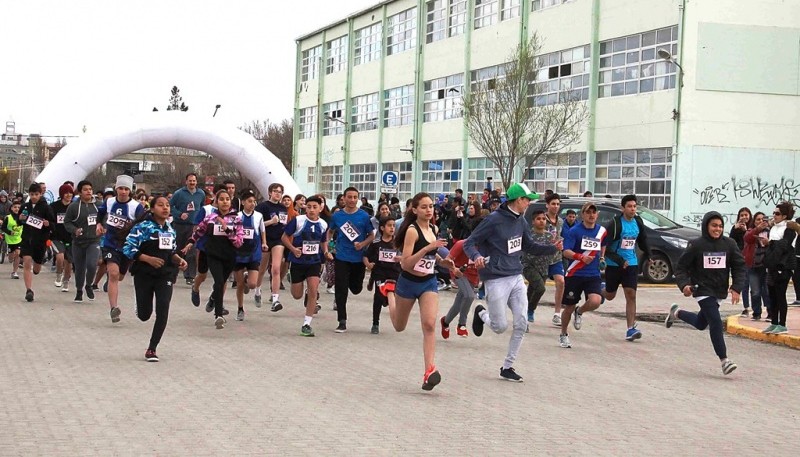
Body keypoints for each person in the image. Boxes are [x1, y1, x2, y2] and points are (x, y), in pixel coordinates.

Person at [465, 183, 559, 382]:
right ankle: (482, 314)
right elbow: (469, 243)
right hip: (496, 278)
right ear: (518, 200)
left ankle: (507, 366)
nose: (529, 203)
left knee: (521, 323)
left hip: (516, 276)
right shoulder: (493, 220)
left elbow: (528, 245)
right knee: (499, 327)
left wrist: (551, 248)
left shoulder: (521, 221)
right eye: (527, 199)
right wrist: (476, 256)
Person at [666, 211, 745, 375]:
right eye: (714, 226)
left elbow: (739, 266)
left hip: (719, 291)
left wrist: (737, 287)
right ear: (706, 226)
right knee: (715, 321)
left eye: (721, 226)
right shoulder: (696, 245)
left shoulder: (729, 244)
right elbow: (681, 268)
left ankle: (677, 313)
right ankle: (724, 361)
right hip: (701, 289)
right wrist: (684, 285)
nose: (718, 229)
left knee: (701, 323)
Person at [389, 192, 453, 390]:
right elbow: (407, 264)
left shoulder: (433, 228)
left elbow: (432, 258)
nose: (428, 210)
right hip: (408, 283)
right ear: (414, 210)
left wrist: (444, 262)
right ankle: (389, 293)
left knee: (429, 324)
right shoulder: (412, 231)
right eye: (424, 207)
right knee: (399, 326)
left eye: (431, 206)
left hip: (428, 282)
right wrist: (428, 248)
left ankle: (429, 371)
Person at [122, 196, 188, 362]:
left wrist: (179, 260)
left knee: (163, 308)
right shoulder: (142, 227)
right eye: (160, 205)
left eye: (167, 205)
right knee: (144, 315)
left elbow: (171, 252)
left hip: (165, 275)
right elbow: (128, 248)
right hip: (144, 274)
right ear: (152, 209)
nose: (165, 208)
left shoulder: (170, 229)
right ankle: (140, 304)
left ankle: (152, 348)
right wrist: (147, 259)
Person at [184, 189, 244, 329]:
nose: (224, 202)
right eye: (221, 199)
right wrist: (190, 243)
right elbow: (199, 231)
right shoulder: (210, 217)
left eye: (227, 199)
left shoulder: (236, 219)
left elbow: (239, 242)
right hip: (213, 254)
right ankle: (218, 315)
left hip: (229, 256)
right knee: (218, 282)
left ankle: (213, 299)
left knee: (222, 282)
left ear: (230, 202)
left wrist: (227, 229)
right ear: (216, 202)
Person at [601, 194, 652, 341]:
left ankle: (630, 329)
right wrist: (619, 260)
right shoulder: (616, 224)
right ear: (623, 208)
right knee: (610, 295)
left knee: (631, 294)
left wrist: (649, 255)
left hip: (632, 263)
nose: (632, 209)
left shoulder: (637, 221)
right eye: (629, 206)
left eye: (634, 206)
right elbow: (607, 247)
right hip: (614, 264)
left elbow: (643, 239)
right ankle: (601, 290)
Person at [558, 202, 608, 348]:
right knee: (569, 306)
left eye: (594, 212)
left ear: (597, 215)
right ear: (583, 215)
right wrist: (581, 257)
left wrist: (602, 257)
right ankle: (563, 334)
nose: (591, 215)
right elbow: (566, 251)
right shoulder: (574, 231)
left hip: (593, 273)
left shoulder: (601, 231)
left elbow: (603, 243)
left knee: (596, 301)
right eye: (588, 212)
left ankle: (579, 311)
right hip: (575, 273)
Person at [327, 187, 375, 333]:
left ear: (358, 199)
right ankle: (342, 320)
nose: (352, 200)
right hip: (341, 256)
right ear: (344, 198)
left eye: (355, 197)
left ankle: (353, 285)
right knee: (341, 289)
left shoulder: (364, 216)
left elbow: (371, 235)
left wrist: (362, 244)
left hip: (358, 258)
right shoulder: (337, 216)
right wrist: (328, 247)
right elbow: (330, 231)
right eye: (349, 197)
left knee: (355, 288)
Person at [97, 175, 145, 322]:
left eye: (126, 189)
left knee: (120, 276)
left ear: (130, 191)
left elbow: (143, 225)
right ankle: (114, 308)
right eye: (121, 188)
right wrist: (99, 225)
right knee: (113, 273)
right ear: (116, 189)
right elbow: (100, 214)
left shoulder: (136, 207)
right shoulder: (109, 202)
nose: (123, 192)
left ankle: (112, 281)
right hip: (111, 244)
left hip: (127, 247)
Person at [282, 195, 328, 337]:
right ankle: (293, 278)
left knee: (313, 289)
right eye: (309, 207)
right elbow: (284, 237)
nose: (311, 210)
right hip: (297, 261)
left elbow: (323, 241)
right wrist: (293, 249)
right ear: (305, 208)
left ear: (320, 208)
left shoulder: (323, 224)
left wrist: (326, 252)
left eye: (315, 207)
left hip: (314, 262)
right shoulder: (298, 221)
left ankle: (306, 324)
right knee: (297, 295)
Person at [64, 180, 102, 302]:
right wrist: (74, 230)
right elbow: (67, 222)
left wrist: (102, 227)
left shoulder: (99, 205)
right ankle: (79, 290)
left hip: (94, 241)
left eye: (90, 189)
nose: (88, 192)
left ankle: (89, 285)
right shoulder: (74, 206)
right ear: (80, 192)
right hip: (78, 242)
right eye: (85, 190)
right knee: (79, 268)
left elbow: (105, 218)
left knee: (92, 265)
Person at [762, 202, 796, 334]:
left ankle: (782, 324)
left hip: (784, 266)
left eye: (777, 214)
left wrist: (770, 243)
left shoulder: (789, 229)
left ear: (784, 215)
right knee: (772, 295)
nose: (774, 216)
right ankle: (774, 322)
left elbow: (785, 245)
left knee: (780, 295)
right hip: (772, 266)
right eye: (774, 213)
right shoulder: (774, 229)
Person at [364, 216, 401, 334]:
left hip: (394, 273)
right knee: (379, 298)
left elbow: (406, 255)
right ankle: (375, 323)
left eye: (394, 226)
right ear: (382, 228)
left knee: (393, 297)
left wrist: (401, 258)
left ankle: (394, 314)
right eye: (389, 226)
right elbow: (365, 256)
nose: (392, 228)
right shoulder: (376, 243)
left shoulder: (398, 243)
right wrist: (368, 264)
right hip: (380, 273)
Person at [522, 209, 560, 326]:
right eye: (538, 219)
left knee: (532, 290)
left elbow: (555, 251)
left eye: (543, 219)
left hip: (544, 268)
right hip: (529, 266)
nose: (541, 221)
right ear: (533, 221)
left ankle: (524, 314)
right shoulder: (529, 235)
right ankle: (530, 310)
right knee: (540, 288)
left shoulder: (549, 236)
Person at [19, 182, 56, 302]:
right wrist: (20, 219)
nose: (34, 196)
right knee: (27, 262)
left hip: (40, 241)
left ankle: (38, 266)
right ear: (29, 194)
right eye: (32, 194)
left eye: (36, 194)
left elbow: (53, 224)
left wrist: (48, 224)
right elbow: (19, 220)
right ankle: (29, 290)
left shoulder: (46, 207)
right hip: (27, 239)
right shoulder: (25, 206)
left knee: (36, 269)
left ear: (40, 194)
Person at [233, 190, 266, 321]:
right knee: (240, 284)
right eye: (249, 201)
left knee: (252, 284)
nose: (252, 204)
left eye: (254, 201)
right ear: (243, 202)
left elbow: (262, 230)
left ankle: (249, 279)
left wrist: (264, 243)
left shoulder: (258, 216)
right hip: (239, 253)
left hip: (254, 252)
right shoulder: (236, 216)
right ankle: (240, 308)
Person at [254, 183, 288, 310]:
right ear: (269, 192)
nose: (277, 194)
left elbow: (284, 223)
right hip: (265, 239)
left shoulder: (283, 208)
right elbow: (257, 224)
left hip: (278, 240)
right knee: (261, 269)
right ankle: (257, 290)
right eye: (275, 191)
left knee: (276, 269)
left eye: (280, 192)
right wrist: (270, 222)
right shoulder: (263, 206)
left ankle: (275, 299)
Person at [169, 173, 206, 286]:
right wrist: (179, 214)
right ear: (186, 182)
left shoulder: (201, 194)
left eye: (194, 181)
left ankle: (190, 276)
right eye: (190, 181)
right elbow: (170, 206)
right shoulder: (179, 193)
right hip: (179, 225)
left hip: (194, 226)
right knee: (178, 250)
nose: (192, 183)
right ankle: (173, 274)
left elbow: (202, 208)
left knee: (192, 252)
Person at [439, 237, 480, 339]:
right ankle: (462, 324)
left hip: (473, 276)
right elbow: (447, 260)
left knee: (458, 304)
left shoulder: (487, 246)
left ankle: (445, 322)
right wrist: (454, 269)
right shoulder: (462, 244)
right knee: (470, 296)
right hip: (459, 273)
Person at [543, 193, 567, 327]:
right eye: (553, 204)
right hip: (542, 257)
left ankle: (557, 313)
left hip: (556, 258)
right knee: (538, 287)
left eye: (558, 204)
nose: (556, 206)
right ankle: (529, 311)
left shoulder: (561, 221)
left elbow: (561, 235)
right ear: (547, 205)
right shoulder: (541, 219)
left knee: (561, 282)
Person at [743, 212, 770, 321]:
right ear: (754, 222)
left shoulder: (771, 231)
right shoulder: (751, 231)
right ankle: (756, 312)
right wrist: (757, 229)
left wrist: (769, 242)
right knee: (755, 291)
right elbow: (747, 238)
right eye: (758, 219)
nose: (761, 221)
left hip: (766, 265)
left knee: (767, 291)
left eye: (763, 219)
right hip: (753, 266)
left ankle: (770, 312)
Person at [50, 184, 74, 292]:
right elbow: (49, 219)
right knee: (60, 257)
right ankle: (59, 275)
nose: (69, 195)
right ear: (62, 194)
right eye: (66, 192)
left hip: (71, 238)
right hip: (56, 237)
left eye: (70, 192)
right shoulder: (54, 206)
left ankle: (66, 282)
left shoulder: (75, 206)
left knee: (68, 262)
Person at [729, 207, 753, 316]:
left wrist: (746, 230)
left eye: (746, 215)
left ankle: (757, 308)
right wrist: (735, 229)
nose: (744, 217)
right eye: (742, 215)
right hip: (740, 259)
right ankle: (746, 307)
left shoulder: (752, 227)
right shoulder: (735, 228)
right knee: (744, 284)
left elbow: (751, 240)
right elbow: (730, 241)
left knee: (756, 286)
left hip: (752, 259)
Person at [2, 200, 23, 279]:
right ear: (11, 208)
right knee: (11, 258)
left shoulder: (23, 217)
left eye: (18, 207)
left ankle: (14, 272)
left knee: (18, 253)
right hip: (10, 240)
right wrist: (9, 232)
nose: (17, 209)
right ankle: (10, 257)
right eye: (15, 207)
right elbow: (3, 227)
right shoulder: (8, 217)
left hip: (19, 239)